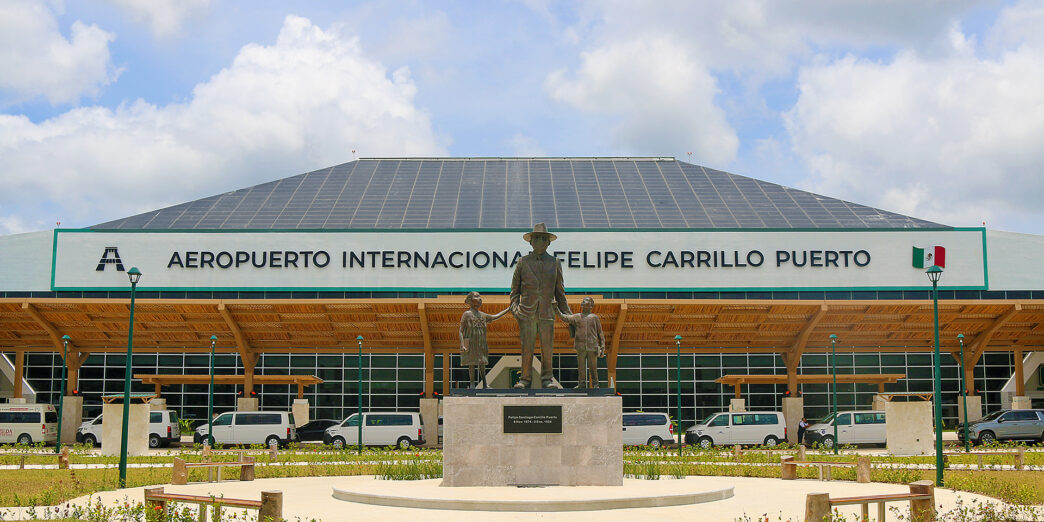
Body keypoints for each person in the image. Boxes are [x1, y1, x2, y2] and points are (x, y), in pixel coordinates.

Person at [510, 223, 569, 389]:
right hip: (526, 312)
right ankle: (525, 379)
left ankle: (547, 379)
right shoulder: (522, 262)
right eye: (536, 239)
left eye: (543, 239)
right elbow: (514, 291)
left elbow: (560, 293)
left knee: (547, 349)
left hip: (547, 312)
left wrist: (569, 317)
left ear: (548, 243)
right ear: (531, 242)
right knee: (526, 348)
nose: (540, 242)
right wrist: (516, 310)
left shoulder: (555, 262)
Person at [458, 291, 509, 389]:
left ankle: (485, 384)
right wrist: (462, 345)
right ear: (470, 300)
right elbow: (460, 330)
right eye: (477, 296)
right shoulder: (467, 314)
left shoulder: (483, 315)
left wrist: (508, 309)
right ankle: (472, 384)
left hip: (481, 343)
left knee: (482, 362)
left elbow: (495, 317)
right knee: (471, 363)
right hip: (471, 342)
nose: (480, 298)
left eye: (479, 296)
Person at [556, 297, 605, 388]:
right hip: (580, 346)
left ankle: (595, 384)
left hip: (592, 346)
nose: (584, 302)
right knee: (581, 367)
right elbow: (564, 317)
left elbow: (600, 332)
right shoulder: (577, 316)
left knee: (593, 367)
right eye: (583, 301)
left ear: (591, 305)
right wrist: (556, 309)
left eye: (587, 301)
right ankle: (581, 384)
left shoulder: (594, 318)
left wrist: (602, 345)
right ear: (581, 305)